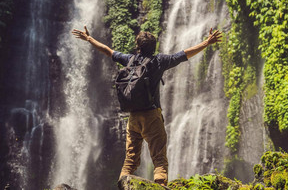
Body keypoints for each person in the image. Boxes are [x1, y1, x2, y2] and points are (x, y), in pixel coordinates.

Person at [71, 26, 222, 186]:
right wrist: (207, 42)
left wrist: (89, 39)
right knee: (159, 158)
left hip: (133, 117)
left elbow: (108, 51)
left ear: (138, 46)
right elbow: (184, 54)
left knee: (130, 159)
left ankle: (123, 186)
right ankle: (161, 185)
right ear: (154, 46)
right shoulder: (159, 61)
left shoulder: (129, 59)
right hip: (151, 116)